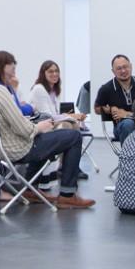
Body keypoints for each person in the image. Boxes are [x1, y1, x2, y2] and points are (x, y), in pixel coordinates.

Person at [0, 47, 95, 209]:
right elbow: (24, 130)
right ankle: (67, 194)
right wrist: (40, 126)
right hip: (16, 149)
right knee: (73, 137)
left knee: (46, 139)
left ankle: (30, 189)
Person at [28, 60, 88, 189]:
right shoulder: (39, 89)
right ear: (43, 73)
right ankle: (67, 167)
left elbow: (54, 114)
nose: (55, 74)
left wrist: (72, 118)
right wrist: (71, 116)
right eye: (51, 71)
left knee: (72, 126)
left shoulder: (53, 90)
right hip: (39, 128)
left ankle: (68, 166)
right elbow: (48, 116)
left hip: (48, 124)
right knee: (67, 126)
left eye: (56, 71)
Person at [94, 54, 135, 143]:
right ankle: (128, 156)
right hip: (122, 126)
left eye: (125, 67)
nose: (123, 71)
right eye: (119, 68)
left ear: (131, 66)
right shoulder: (106, 89)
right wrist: (110, 109)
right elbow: (97, 109)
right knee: (128, 124)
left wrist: (126, 114)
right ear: (113, 71)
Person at [0, 50, 35, 117]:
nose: (14, 65)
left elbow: (19, 109)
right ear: (0, 65)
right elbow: (18, 111)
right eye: (10, 63)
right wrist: (31, 107)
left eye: (14, 62)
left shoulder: (9, 85)